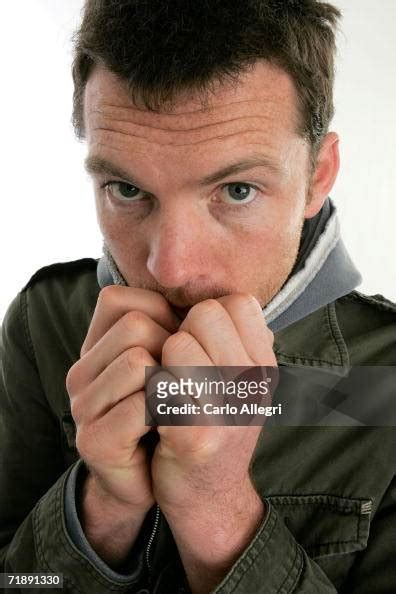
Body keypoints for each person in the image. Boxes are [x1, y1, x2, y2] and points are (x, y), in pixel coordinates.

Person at [1, 1, 395, 592]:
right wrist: (101, 507)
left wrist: (218, 514)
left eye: (237, 190)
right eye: (127, 188)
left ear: (317, 175)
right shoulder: (44, 321)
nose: (173, 266)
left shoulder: (387, 375)